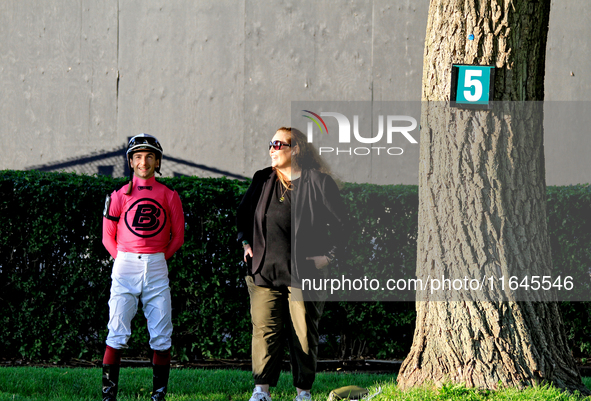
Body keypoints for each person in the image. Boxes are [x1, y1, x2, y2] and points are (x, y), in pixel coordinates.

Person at [236, 127, 347, 401]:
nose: (272, 149)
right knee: (264, 333)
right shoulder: (262, 179)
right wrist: (245, 243)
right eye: (270, 144)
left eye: (278, 144)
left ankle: (303, 393)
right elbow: (243, 214)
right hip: (264, 272)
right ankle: (261, 391)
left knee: (303, 334)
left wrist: (329, 256)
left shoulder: (319, 183)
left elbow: (345, 227)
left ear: (295, 149)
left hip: (304, 274)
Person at [101, 133, 184, 401]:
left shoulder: (169, 195)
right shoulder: (118, 195)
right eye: (138, 157)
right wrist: (125, 260)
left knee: (161, 335)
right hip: (124, 265)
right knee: (117, 331)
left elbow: (178, 238)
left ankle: (158, 396)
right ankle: (108, 396)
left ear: (157, 161)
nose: (143, 162)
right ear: (131, 161)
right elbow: (107, 236)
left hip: (157, 266)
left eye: (149, 156)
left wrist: (155, 258)